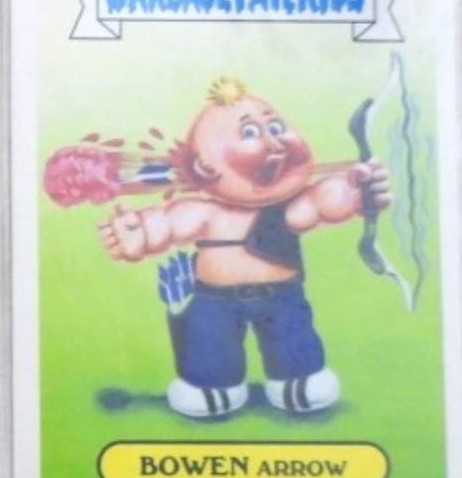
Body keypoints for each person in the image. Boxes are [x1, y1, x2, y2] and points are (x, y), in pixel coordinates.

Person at [98, 77, 391, 417]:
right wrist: (140, 232)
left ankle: (297, 379)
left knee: (292, 338)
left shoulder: (288, 207)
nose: (275, 141)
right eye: (250, 132)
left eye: (277, 127)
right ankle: (211, 385)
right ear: (204, 166)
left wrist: (357, 192)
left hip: (282, 297)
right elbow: (170, 223)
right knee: (210, 343)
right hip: (214, 301)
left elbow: (322, 202)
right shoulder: (204, 211)